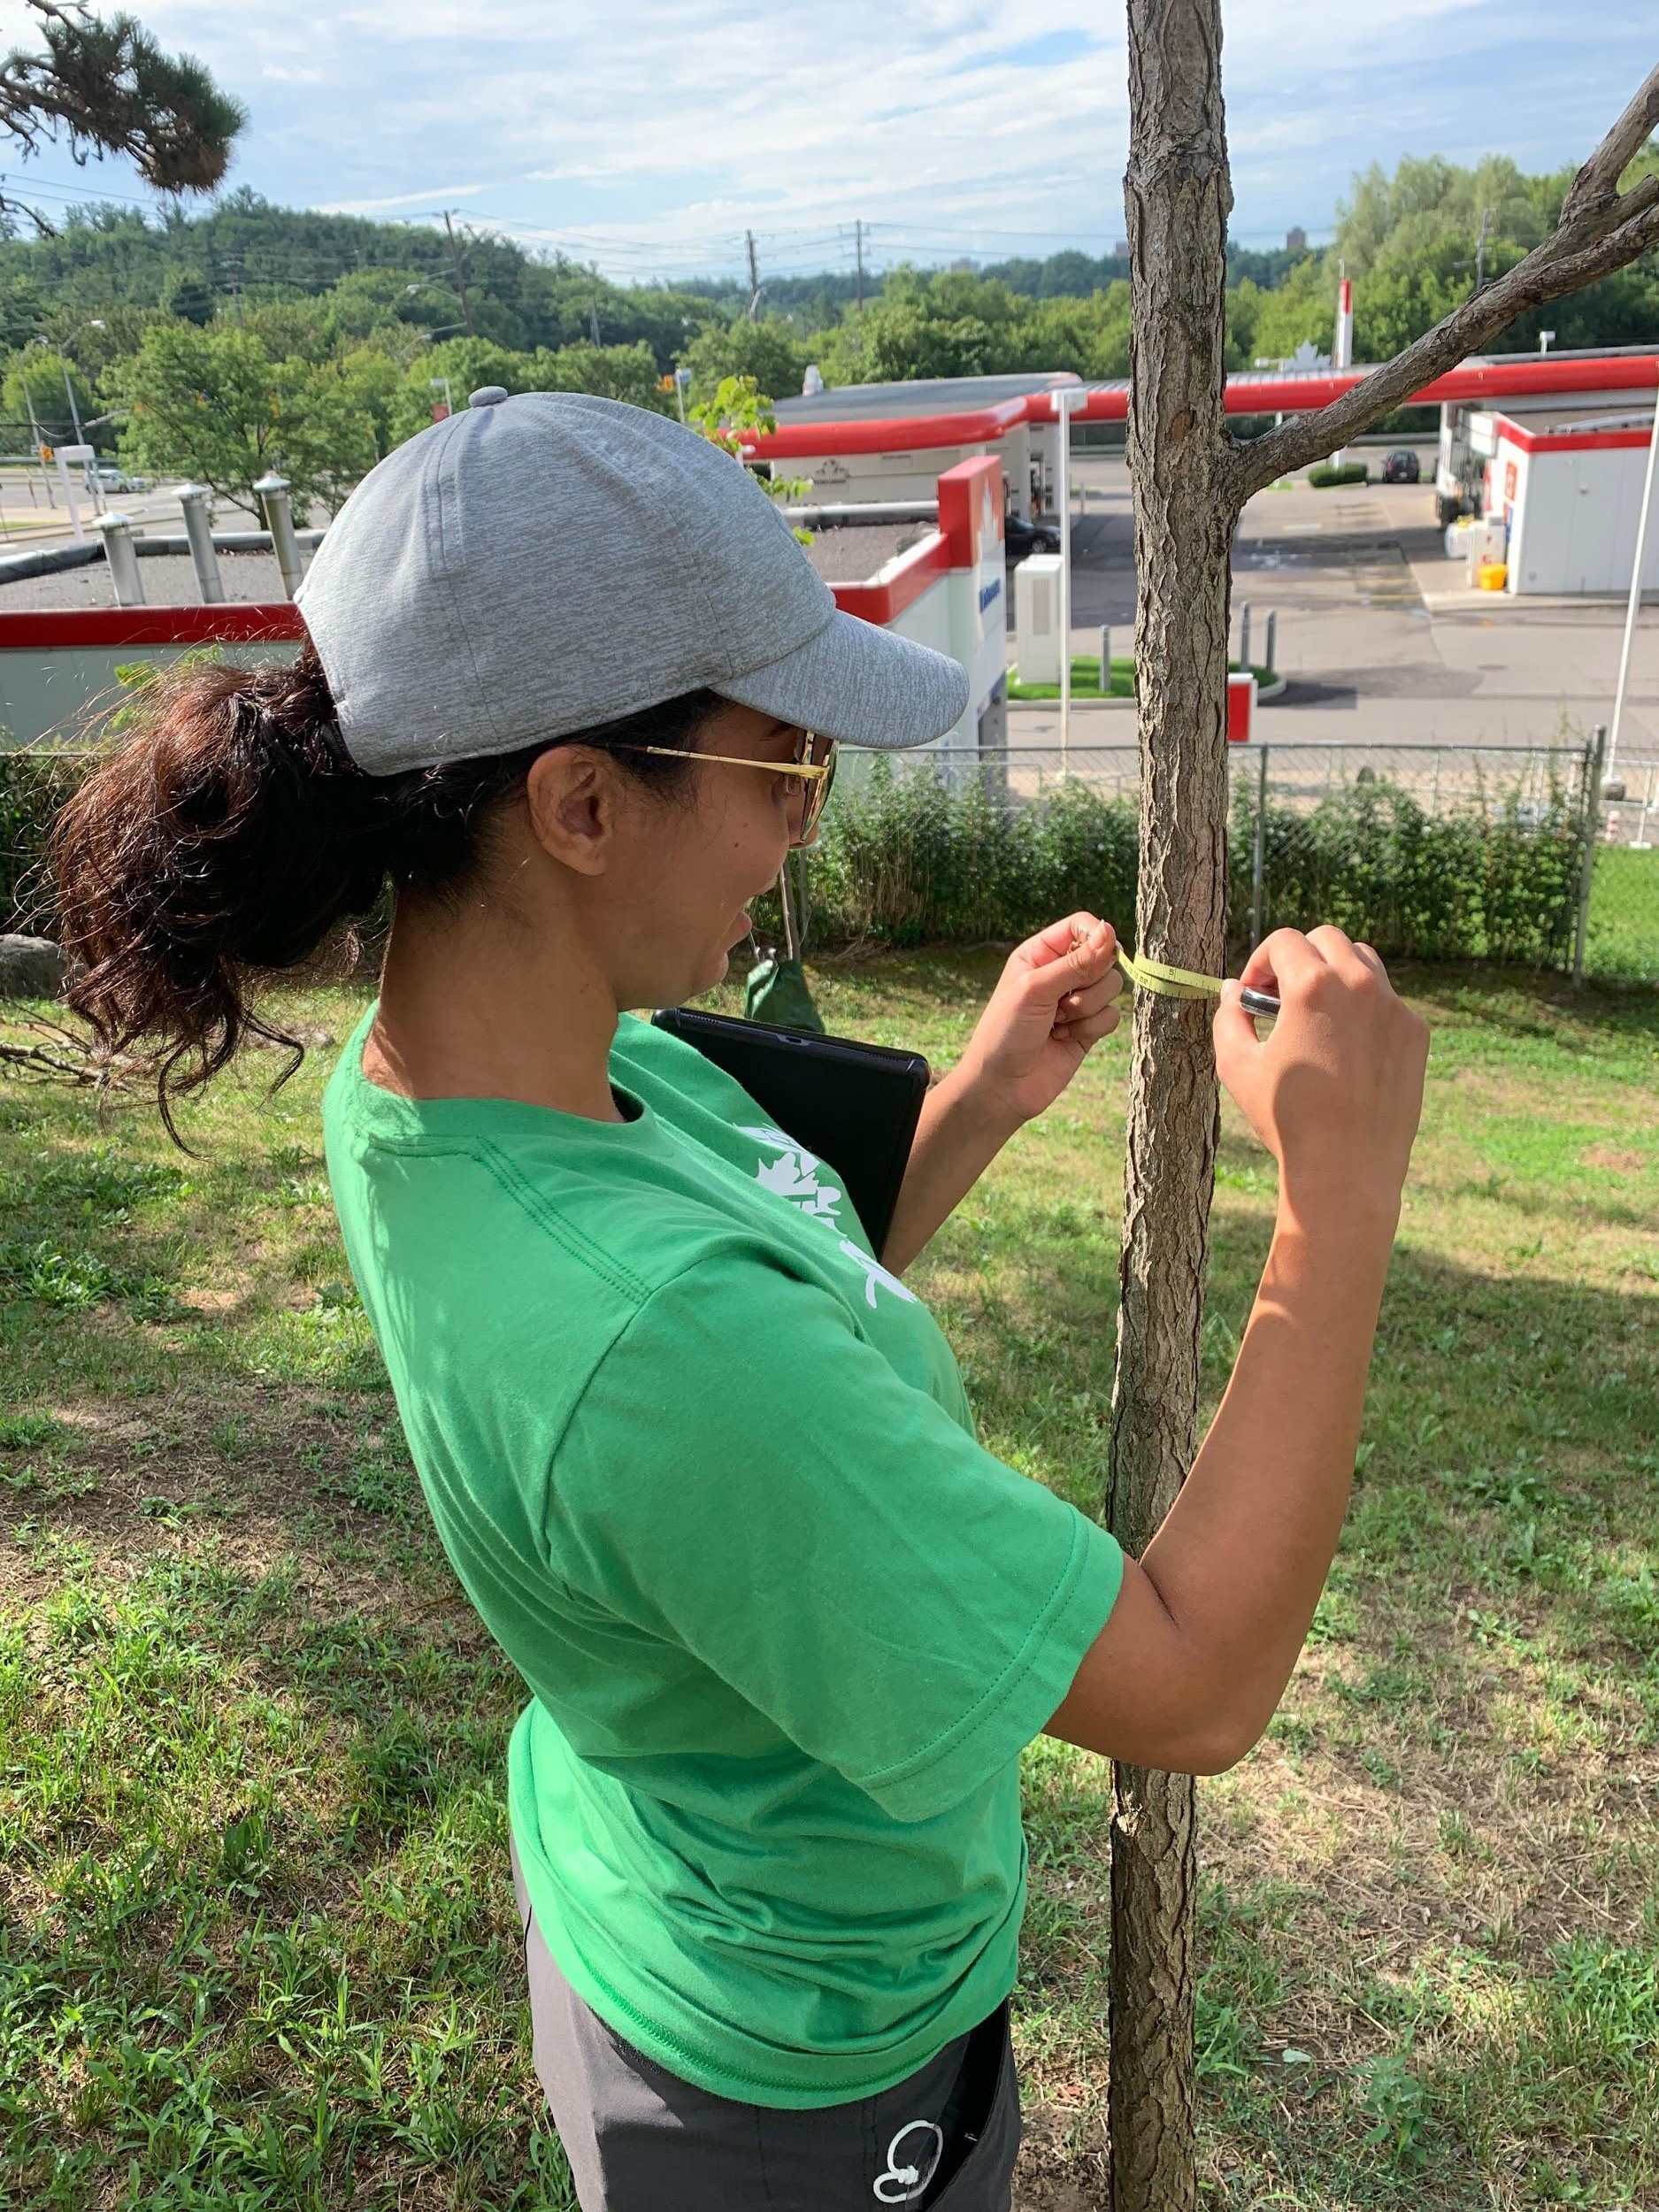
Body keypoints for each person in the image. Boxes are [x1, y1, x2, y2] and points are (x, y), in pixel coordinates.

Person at [50, 391, 1429, 2212]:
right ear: (580, 799)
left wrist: (984, 1097)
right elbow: (1187, 1681)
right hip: (798, 2081)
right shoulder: (659, 1350)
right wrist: (1334, 1207)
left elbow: (787, 1259)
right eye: (782, 766)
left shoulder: (476, 1088)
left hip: (648, 1874)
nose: (800, 828)